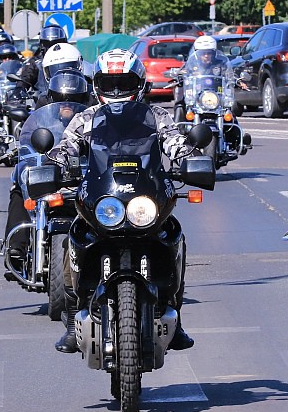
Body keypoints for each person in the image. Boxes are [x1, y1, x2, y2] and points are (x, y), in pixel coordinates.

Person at [48, 48, 195, 354]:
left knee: (175, 235)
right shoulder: (86, 118)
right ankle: (74, 317)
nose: (116, 91)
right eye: (109, 84)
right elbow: (67, 146)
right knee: (70, 238)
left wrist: (189, 159)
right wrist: (57, 164)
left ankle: (175, 315)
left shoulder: (157, 116)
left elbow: (174, 141)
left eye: (124, 83)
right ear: (96, 85)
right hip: (103, 196)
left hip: (147, 194)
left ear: (139, 84)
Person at [2, 70, 93, 269]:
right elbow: (27, 142)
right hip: (51, 175)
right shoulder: (40, 120)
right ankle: (16, 247)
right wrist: (24, 155)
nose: (67, 105)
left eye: (74, 100)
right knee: (19, 185)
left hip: (83, 177)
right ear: (52, 99)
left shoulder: (92, 121)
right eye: (62, 100)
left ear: (84, 99)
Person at [19, 25, 68, 91]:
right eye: (47, 44)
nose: (53, 48)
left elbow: (82, 76)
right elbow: (26, 78)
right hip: (43, 99)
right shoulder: (36, 62)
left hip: (68, 97)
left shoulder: (71, 60)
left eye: (56, 44)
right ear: (42, 46)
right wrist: (19, 89)